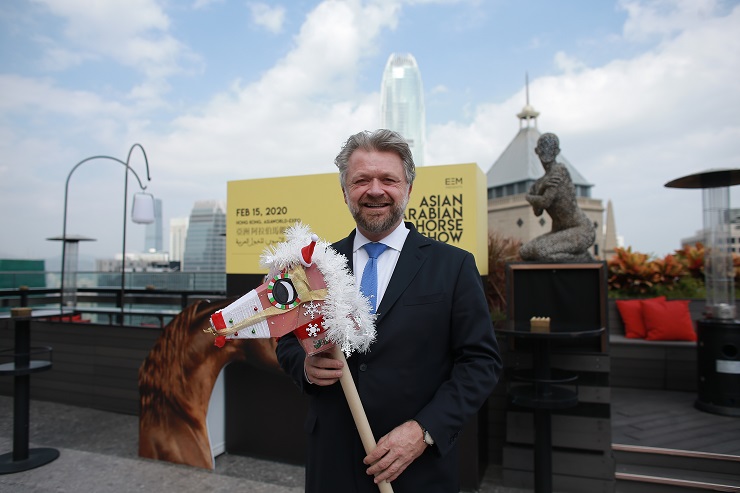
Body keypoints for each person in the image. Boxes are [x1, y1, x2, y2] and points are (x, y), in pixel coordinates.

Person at [276, 129, 502, 493]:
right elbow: (288, 340)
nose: (375, 190)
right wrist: (303, 366)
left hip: (418, 468)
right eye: (361, 180)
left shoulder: (454, 266)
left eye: (388, 179)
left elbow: (481, 362)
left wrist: (424, 430)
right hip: (331, 462)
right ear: (345, 192)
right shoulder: (315, 267)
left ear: (408, 188)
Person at [519, 132, 595, 262]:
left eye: (550, 149)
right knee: (524, 251)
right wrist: (540, 188)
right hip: (559, 232)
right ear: (537, 151)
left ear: (557, 152)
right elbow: (537, 212)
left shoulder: (560, 170)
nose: (546, 154)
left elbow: (544, 202)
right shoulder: (539, 183)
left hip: (580, 230)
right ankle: (576, 257)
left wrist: (528, 197)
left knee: (541, 251)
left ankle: (582, 258)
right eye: (543, 149)